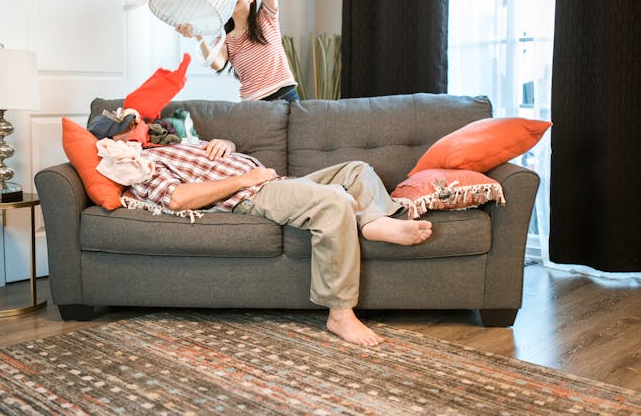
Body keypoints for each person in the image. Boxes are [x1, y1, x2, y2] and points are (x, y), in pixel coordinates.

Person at [103, 122, 433, 347]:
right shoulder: (139, 164)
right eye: (128, 127)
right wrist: (246, 180)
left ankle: (371, 221)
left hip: (278, 181)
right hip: (253, 195)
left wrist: (225, 145)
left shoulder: (181, 145)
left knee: (356, 170)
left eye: (139, 124)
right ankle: (340, 314)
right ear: (115, 143)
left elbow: (216, 159)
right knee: (334, 201)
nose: (139, 128)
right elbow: (178, 199)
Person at [175, 0, 299, 103]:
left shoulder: (266, 18)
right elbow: (216, 63)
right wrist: (198, 35)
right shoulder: (225, 39)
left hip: (285, 94)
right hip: (254, 104)